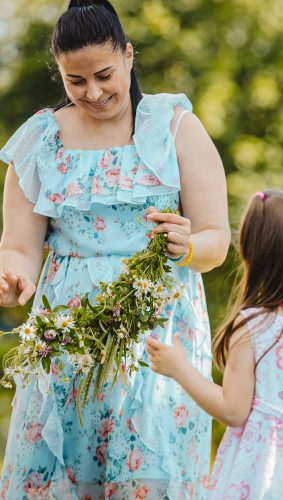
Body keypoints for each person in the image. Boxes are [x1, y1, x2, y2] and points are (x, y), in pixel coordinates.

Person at [0, 0, 230, 498]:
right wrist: (12, 277)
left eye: (104, 74)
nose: (94, 92)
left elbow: (217, 240)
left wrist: (189, 246)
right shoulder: (40, 140)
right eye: (75, 81)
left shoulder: (174, 127)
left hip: (156, 339)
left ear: (129, 55)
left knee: (144, 474)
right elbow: (19, 247)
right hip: (68, 339)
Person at [147, 190, 283, 499]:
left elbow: (233, 410)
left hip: (263, 478)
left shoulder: (253, 327)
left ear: (258, 256)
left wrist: (180, 369)